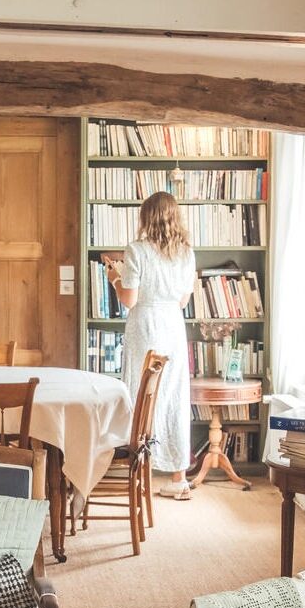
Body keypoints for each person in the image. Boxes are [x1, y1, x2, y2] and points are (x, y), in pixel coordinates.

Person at [106, 190, 196, 499]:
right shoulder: (186, 253)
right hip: (172, 326)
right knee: (173, 397)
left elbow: (129, 300)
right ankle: (178, 478)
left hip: (145, 325)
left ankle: (140, 472)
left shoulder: (137, 250)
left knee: (141, 393)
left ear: (146, 217)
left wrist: (114, 278)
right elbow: (183, 300)